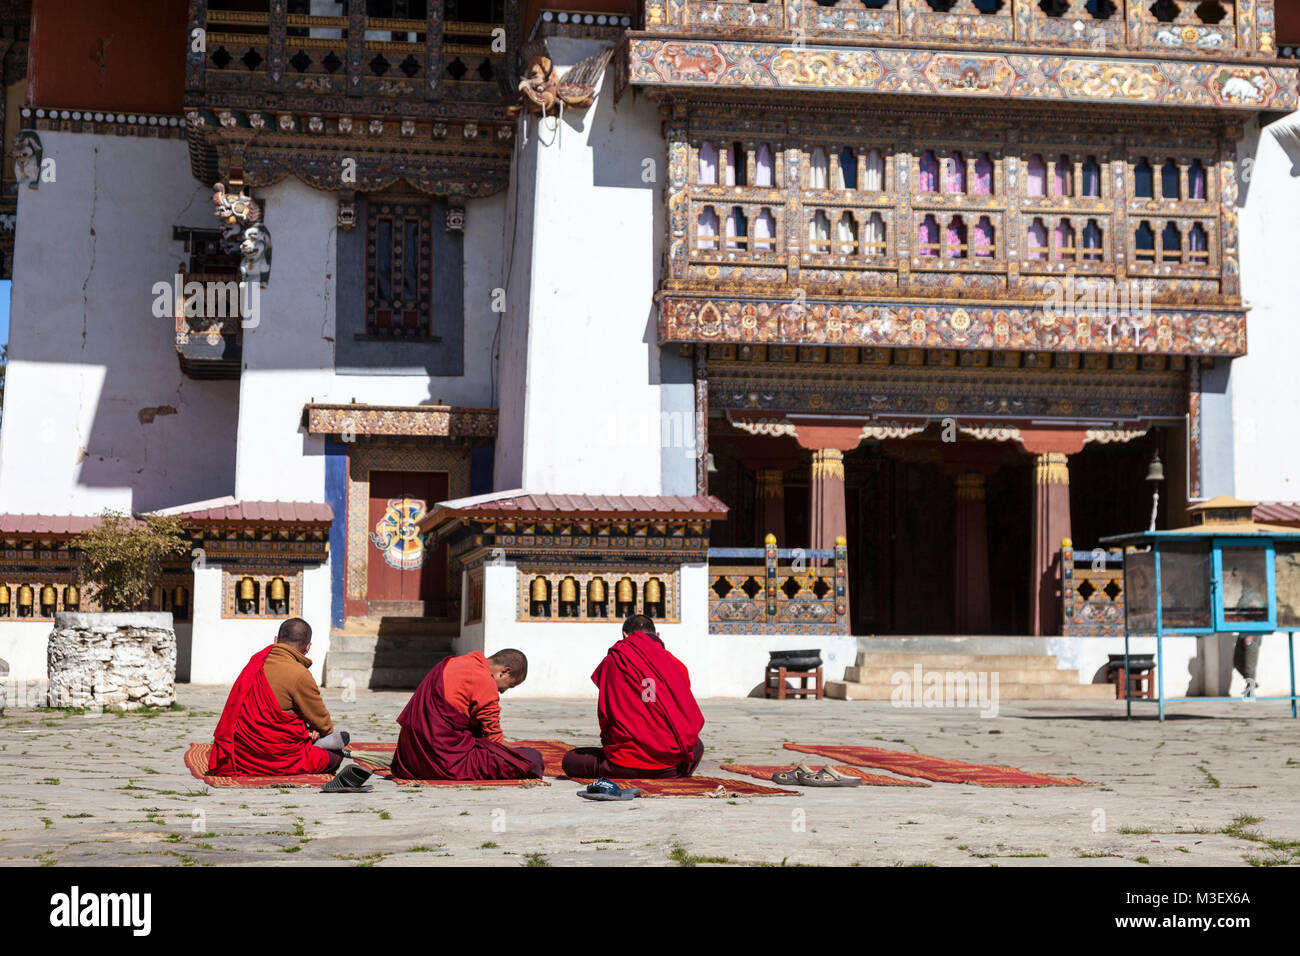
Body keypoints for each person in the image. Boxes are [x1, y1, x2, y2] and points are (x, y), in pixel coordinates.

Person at [561, 615, 705, 779]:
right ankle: (670, 773)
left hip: (624, 762)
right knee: (697, 746)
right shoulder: (677, 665)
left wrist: (612, 744)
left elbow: (606, 714)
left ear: (625, 635)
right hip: (670, 764)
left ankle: (633, 769)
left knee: (570, 760)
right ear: (657, 636)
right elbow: (685, 717)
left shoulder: (613, 661)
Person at [209, 618, 342, 776]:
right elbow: (324, 725)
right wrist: (316, 728)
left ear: (276, 640)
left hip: (239, 755)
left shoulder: (257, 661)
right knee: (335, 756)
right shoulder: (300, 674)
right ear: (308, 647)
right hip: (274, 758)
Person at [391, 649, 543, 780]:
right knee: (531, 758)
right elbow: (495, 740)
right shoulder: (485, 681)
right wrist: (517, 755)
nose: (503, 691)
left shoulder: (455, 662)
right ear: (504, 672)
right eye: (510, 685)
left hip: (409, 758)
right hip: (441, 761)